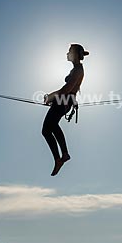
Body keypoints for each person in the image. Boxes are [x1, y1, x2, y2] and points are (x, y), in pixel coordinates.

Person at [42, 43, 89, 176]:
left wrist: (51, 97)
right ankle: (62, 155)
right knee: (50, 127)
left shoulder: (78, 70)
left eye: (69, 51)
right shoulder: (77, 69)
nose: (67, 54)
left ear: (74, 54)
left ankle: (60, 157)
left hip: (63, 101)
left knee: (46, 129)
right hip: (64, 102)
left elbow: (66, 90)